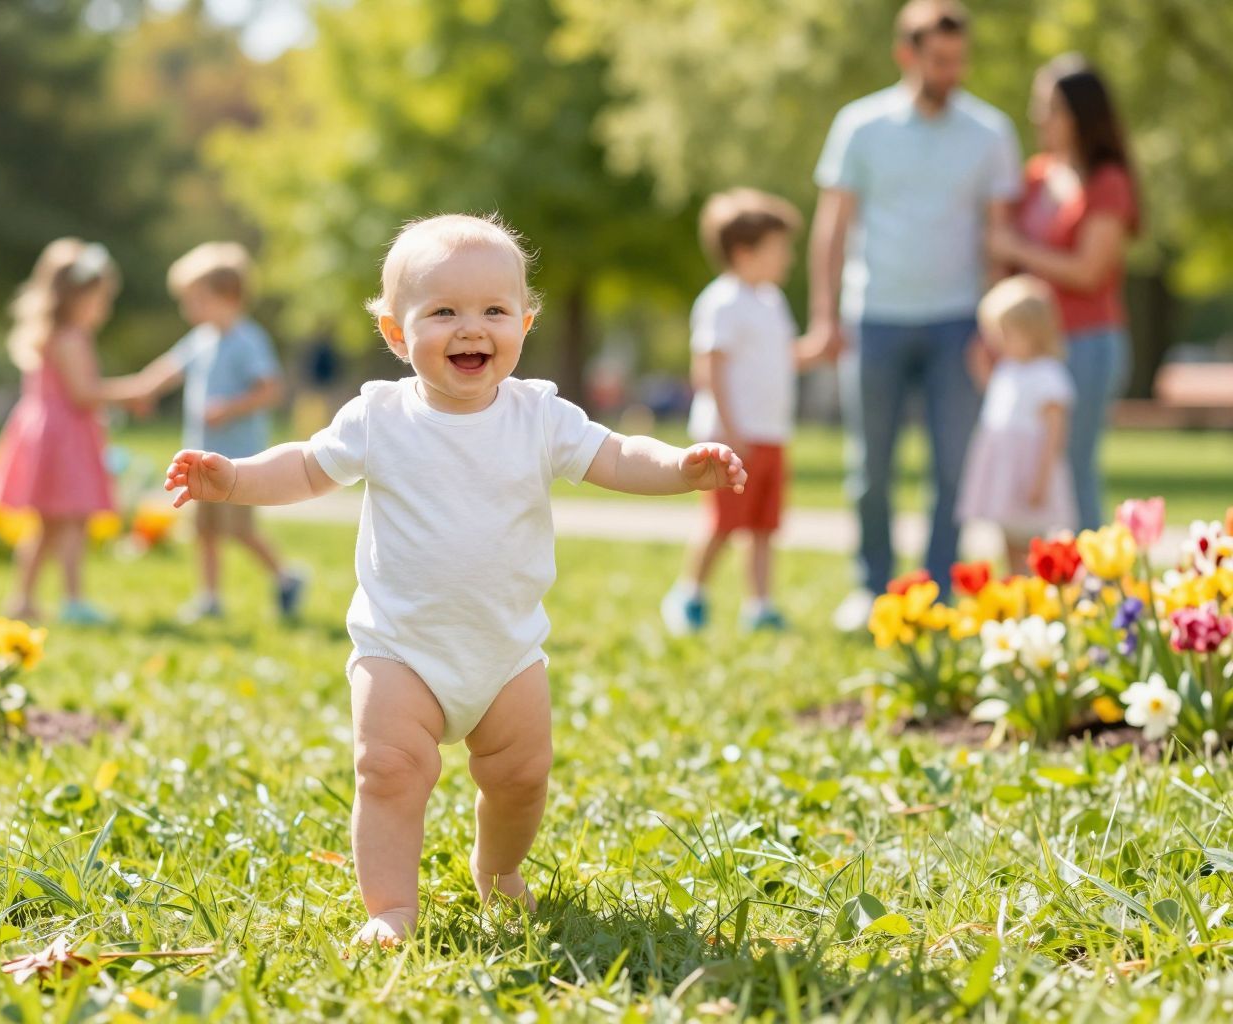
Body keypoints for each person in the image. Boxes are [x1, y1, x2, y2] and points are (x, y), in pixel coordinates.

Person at [164, 214, 748, 946]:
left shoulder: (540, 415)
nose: (471, 327)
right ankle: (390, 910)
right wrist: (234, 479)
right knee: (388, 770)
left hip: (505, 653)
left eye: (494, 311)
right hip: (399, 647)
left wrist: (679, 468)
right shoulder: (379, 416)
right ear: (396, 334)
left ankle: (499, 871)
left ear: (525, 324)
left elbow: (618, 454)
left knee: (521, 776)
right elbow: (308, 465)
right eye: (443, 311)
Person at [803, 0, 1022, 626]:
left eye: (959, 60)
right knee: (871, 466)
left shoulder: (991, 133)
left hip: (958, 321)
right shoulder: (861, 125)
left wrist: (993, 328)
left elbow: (997, 238)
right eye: (939, 60)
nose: (951, 71)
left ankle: (938, 592)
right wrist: (825, 317)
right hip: (875, 317)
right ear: (907, 54)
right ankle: (870, 587)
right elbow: (833, 226)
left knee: (953, 467)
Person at [988, 55, 1139, 531]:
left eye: (1050, 107)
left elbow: (1089, 272)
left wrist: (1018, 247)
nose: (1039, 118)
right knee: (1026, 461)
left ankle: (1095, 582)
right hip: (1031, 349)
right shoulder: (1034, 177)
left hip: (1088, 341)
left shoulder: (1107, 182)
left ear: (1081, 115)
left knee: (1072, 465)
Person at [662, 188, 822, 635]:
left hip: (771, 432)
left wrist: (820, 350)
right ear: (744, 251)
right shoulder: (723, 301)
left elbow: (783, 355)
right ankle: (688, 593)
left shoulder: (772, 301)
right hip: (733, 435)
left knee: (765, 524)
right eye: (780, 250)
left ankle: (760, 605)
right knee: (725, 522)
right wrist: (730, 430)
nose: (787, 259)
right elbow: (708, 367)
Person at [124, 243, 305, 622]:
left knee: (238, 528)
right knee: (203, 527)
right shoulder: (202, 338)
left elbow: (270, 389)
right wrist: (146, 392)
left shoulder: (247, 339)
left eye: (197, 300)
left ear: (229, 297)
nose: (188, 310)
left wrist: (230, 407)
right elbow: (169, 368)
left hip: (237, 458)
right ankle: (209, 598)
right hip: (201, 454)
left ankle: (286, 576)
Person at [0, 238, 137, 624]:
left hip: (50, 433)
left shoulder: (53, 335)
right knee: (71, 519)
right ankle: (72, 599)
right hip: (63, 437)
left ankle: (23, 599)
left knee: (48, 524)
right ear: (74, 297)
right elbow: (82, 394)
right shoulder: (69, 338)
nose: (104, 309)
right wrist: (132, 392)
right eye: (99, 299)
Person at [957, 276, 1076, 572]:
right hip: (1003, 472)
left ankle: (1035, 596)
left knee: (1031, 541)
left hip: (1029, 471)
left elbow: (1054, 434)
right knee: (1007, 535)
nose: (998, 342)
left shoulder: (1048, 375)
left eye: (1005, 334)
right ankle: (1015, 588)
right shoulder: (1007, 369)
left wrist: (1041, 481)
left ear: (1032, 332)